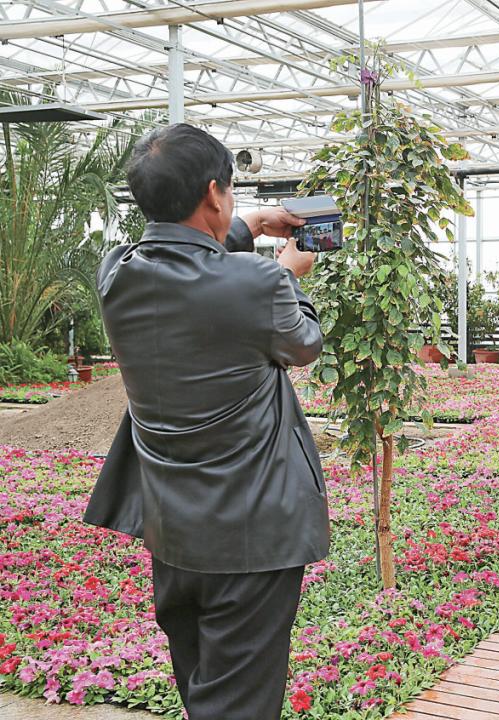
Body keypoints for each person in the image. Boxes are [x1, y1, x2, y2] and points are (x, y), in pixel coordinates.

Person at [83, 123, 328, 720]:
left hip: (172, 533)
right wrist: (290, 273)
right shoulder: (261, 283)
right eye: (233, 195)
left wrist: (247, 227)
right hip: (252, 538)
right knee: (238, 705)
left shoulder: (116, 273)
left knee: (203, 691)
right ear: (215, 193)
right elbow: (304, 344)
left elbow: (185, 261)